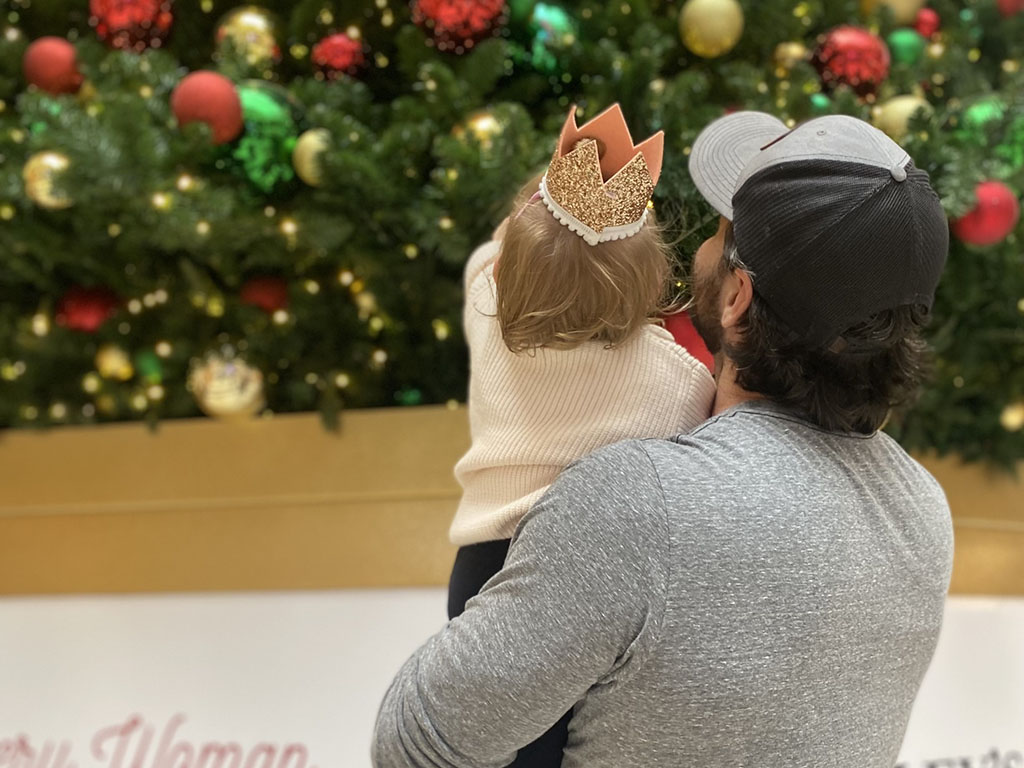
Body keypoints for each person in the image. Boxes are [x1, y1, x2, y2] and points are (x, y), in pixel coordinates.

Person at [372, 111, 954, 768]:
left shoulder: (639, 500)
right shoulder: (924, 512)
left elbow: (416, 741)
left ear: (738, 297)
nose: (701, 246)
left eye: (719, 229)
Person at [446, 102, 715, 765]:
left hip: (482, 571)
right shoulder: (678, 380)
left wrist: (551, 209)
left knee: (488, 742)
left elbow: (495, 248)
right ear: (652, 280)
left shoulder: (487, 301)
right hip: (588, 580)